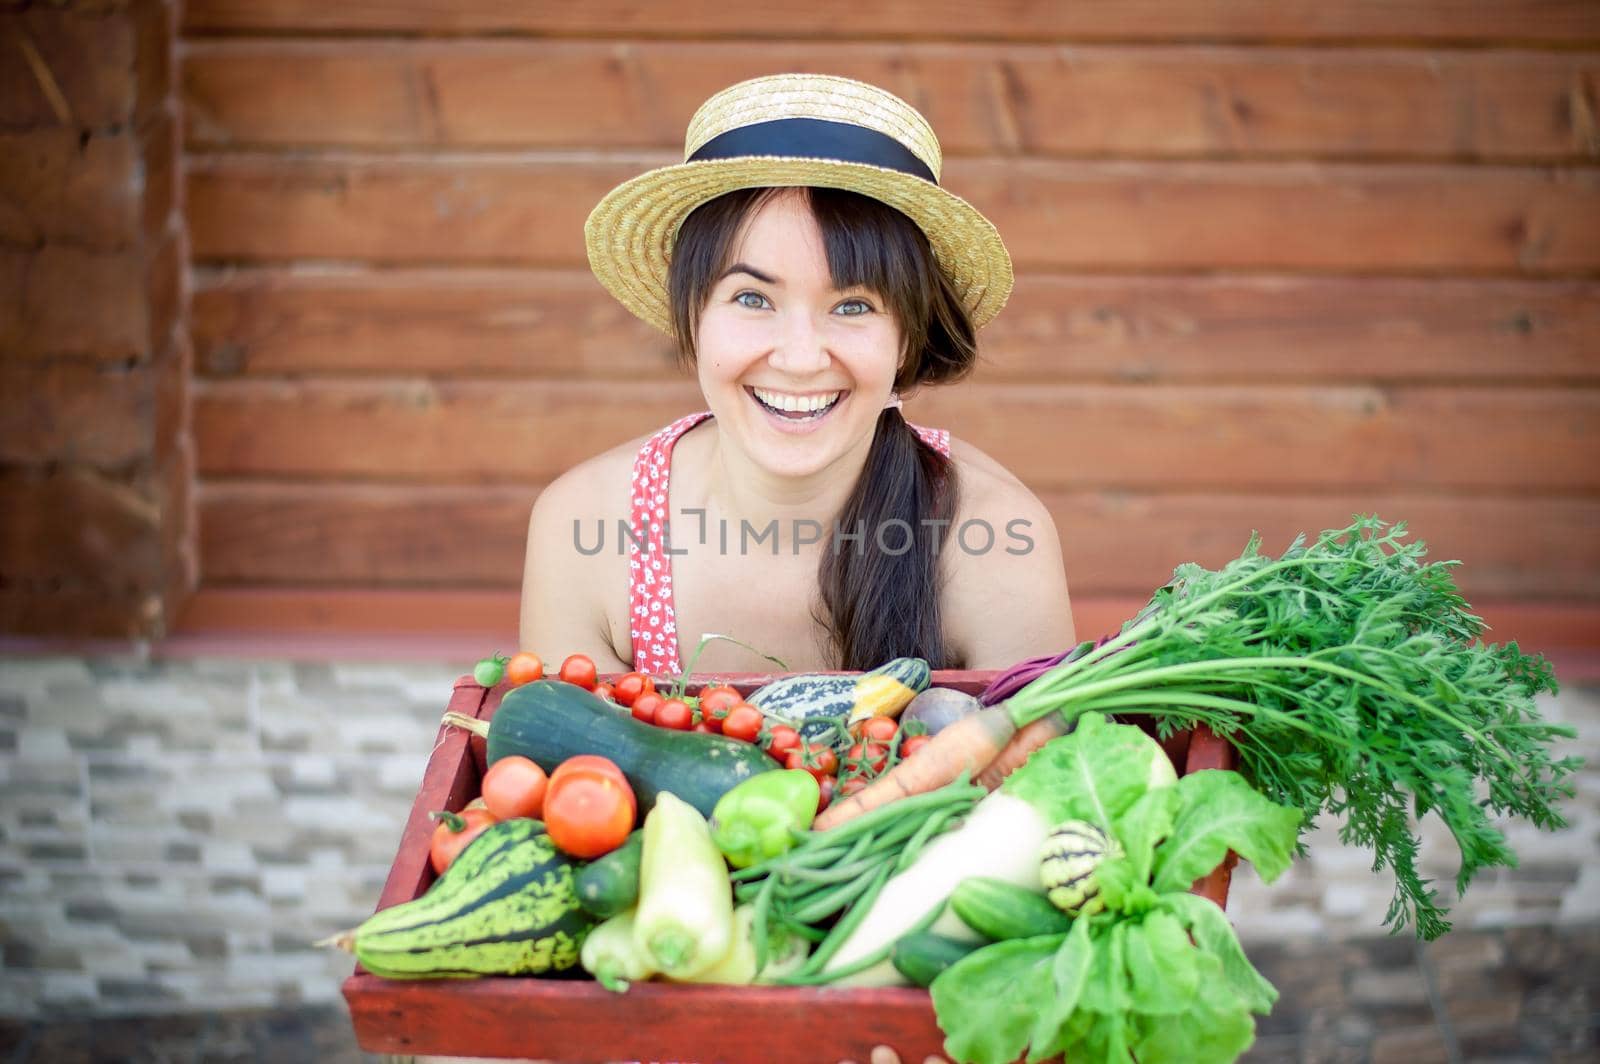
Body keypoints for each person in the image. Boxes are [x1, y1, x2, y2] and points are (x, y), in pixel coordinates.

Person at [520, 72, 1075, 679]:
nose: (801, 357)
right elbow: (572, 766)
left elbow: (1030, 766)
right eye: (753, 299)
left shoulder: (994, 539)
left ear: (907, 339)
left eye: (853, 306)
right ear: (693, 315)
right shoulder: (585, 526)